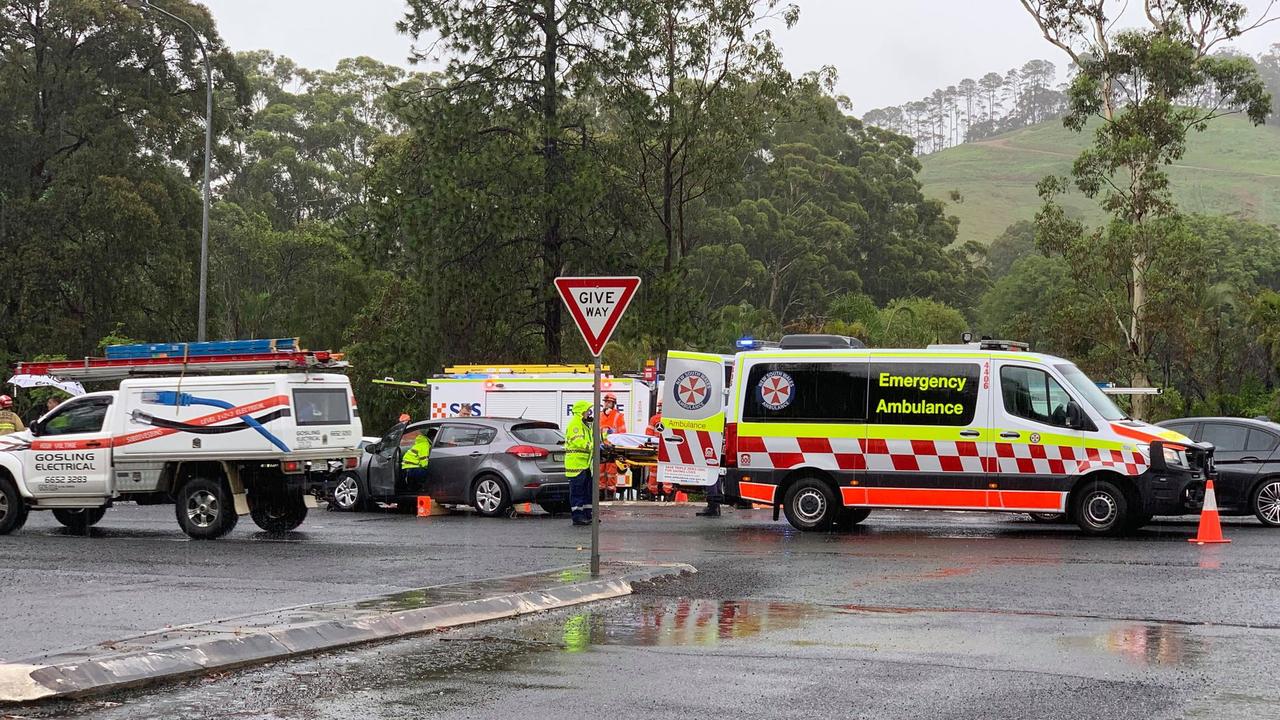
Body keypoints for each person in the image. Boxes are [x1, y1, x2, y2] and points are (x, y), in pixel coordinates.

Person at [565, 400, 594, 526]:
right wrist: (593, 446)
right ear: (582, 411)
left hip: (584, 464)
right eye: (587, 410)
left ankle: (587, 514)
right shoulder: (575, 424)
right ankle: (577, 516)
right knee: (578, 491)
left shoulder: (585, 425)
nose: (589, 413)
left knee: (587, 491)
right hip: (576, 464)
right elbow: (579, 442)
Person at [599, 393, 627, 495]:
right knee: (600, 471)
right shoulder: (599, 415)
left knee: (611, 472)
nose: (607, 404)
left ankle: (611, 492)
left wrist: (619, 448)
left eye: (609, 402)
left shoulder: (618, 416)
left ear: (614, 404)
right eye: (605, 402)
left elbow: (622, 433)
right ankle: (600, 492)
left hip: (612, 448)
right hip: (600, 447)